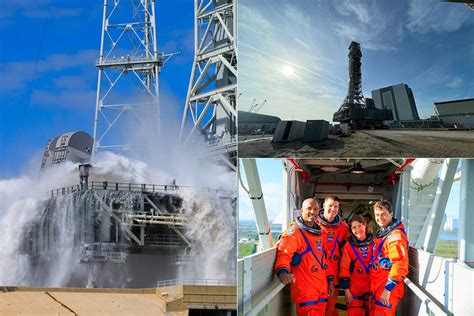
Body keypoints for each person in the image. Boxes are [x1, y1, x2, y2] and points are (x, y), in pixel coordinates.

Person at [275, 198, 334, 316]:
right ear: (302, 211)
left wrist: (330, 281)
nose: (312, 212)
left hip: (321, 289)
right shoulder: (294, 233)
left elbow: (324, 260)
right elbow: (284, 254)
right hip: (305, 291)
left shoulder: (320, 234)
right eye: (309, 208)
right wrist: (282, 272)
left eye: (315, 209)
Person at [369, 200, 409, 316]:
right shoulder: (384, 234)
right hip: (378, 286)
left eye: (383, 214)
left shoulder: (395, 236)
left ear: (391, 214)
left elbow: (399, 264)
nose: (380, 218)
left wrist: (388, 290)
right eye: (377, 215)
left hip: (387, 288)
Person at [316, 195, 349, 316]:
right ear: (324, 206)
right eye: (330, 205)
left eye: (336, 206)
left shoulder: (343, 227)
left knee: (330, 308)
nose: (333, 209)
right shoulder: (314, 224)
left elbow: (352, 245)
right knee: (317, 307)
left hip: (334, 274)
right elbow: (296, 230)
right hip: (317, 274)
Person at [340, 215, 374, 316]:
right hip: (355, 288)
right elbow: (344, 268)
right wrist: (346, 290)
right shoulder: (349, 246)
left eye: (359, 226)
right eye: (354, 227)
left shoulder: (375, 243)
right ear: (350, 230)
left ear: (365, 225)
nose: (357, 230)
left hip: (372, 287)